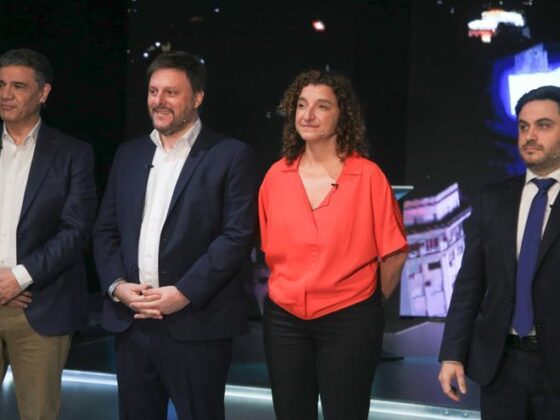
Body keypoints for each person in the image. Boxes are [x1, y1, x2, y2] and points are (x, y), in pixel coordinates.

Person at [93, 51, 257, 420]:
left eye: (171, 92)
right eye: (154, 91)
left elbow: (236, 236)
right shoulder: (129, 154)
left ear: (197, 97)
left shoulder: (230, 155)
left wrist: (183, 293)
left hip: (197, 325)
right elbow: (105, 230)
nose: (159, 101)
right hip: (132, 323)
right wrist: (117, 286)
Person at [258, 69, 409, 420]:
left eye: (322, 106)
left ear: (343, 114)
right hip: (284, 319)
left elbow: (395, 254)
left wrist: (370, 305)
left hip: (350, 318)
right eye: (301, 105)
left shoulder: (368, 176)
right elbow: (270, 249)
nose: (308, 115)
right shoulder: (276, 176)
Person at [439, 85, 560, 419]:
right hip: (501, 367)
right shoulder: (492, 199)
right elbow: (469, 284)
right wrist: (452, 354)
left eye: (544, 125)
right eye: (523, 126)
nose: (530, 136)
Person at [0, 48, 97, 419]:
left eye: (18, 86)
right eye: (1, 84)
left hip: (40, 308)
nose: (6, 94)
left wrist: (18, 278)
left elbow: (76, 230)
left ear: (43, 93)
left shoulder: (73, 153)